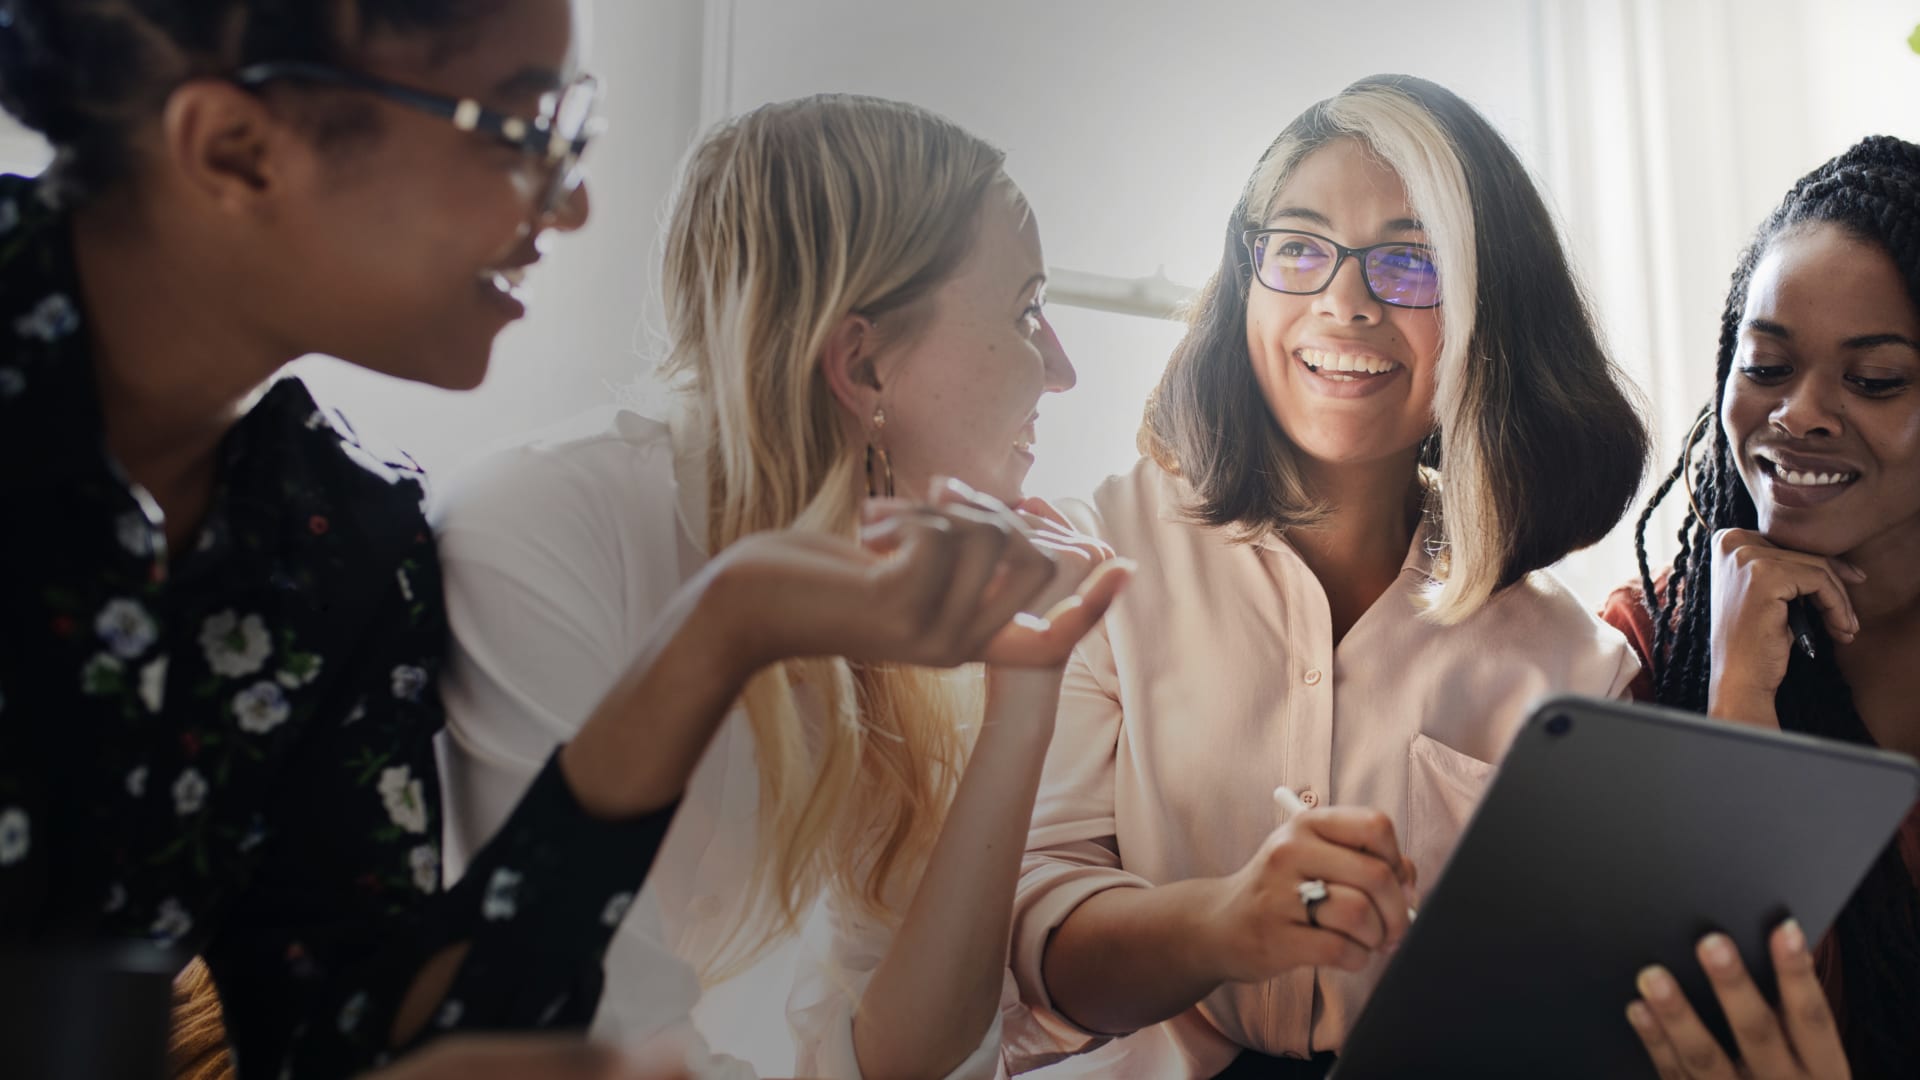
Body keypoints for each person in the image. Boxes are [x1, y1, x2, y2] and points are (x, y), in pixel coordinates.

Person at [0, 2, 887, 1076]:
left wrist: (715, 634)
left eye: (575, 135)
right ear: (236, 150)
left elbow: (346, 1016)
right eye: (519, 131)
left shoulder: (334, 537)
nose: (572, 203)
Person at [436, 93, 1128, 1079]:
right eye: (1026, 312)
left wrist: (1027, 695)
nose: (1060, 370)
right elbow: (585, 1035)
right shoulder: (539, 535)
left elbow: (909, 1057)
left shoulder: (894, 604)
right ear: (860, 362)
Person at [1005, 74, 1649, 1079]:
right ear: (1248, 281)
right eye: (1299, 249)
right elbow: (1035, 960)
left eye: (1409, 260)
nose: (1343, 303)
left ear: (1492, 310)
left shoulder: (1577, 664)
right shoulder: (1102, 559)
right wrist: (1220, 924)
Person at [1606, 135, 1920, 1080]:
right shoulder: (1644, 650)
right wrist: (1738, 694)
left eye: (1875, 381)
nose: (1799, 414)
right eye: (1767, 367)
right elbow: (1687, 1024)